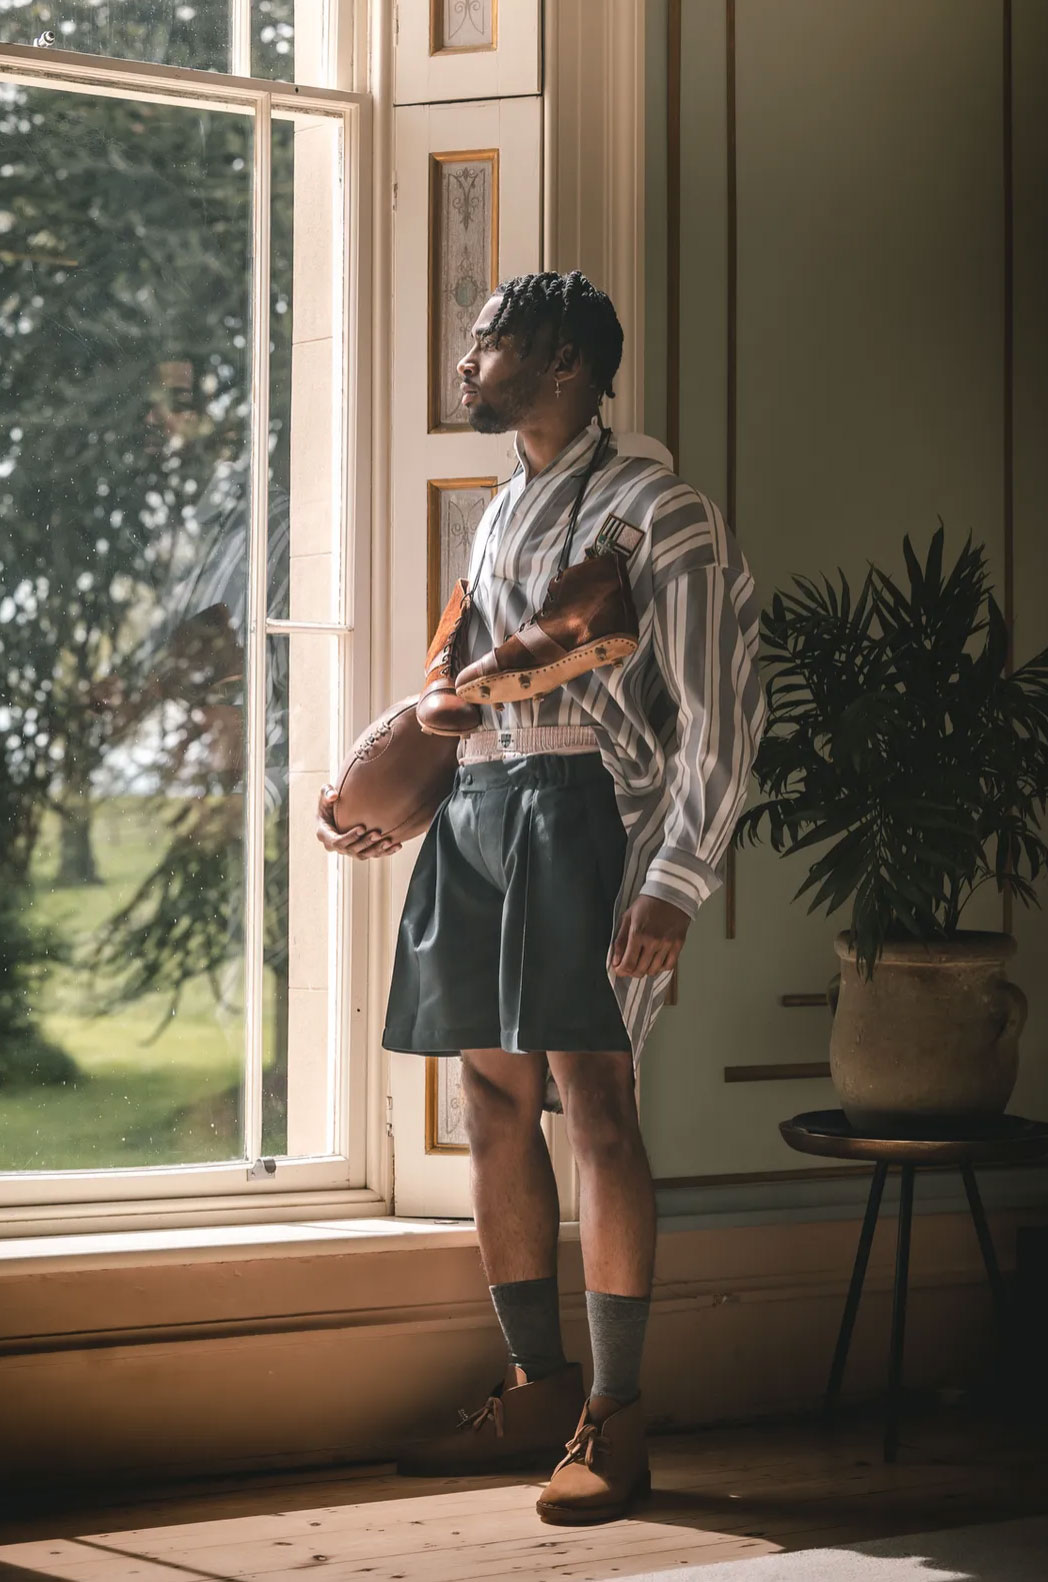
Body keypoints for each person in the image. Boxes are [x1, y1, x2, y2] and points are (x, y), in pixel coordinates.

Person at [315, 271, 767, 1525]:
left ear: (566, 362)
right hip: (481, 817)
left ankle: (616, 1419)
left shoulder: (660, 512)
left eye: (489, 342)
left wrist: (674, 877)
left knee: (596, 1103)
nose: (467, 361)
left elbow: (728, 721)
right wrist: (383, 787)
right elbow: (461, 683)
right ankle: (532, 1384)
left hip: (589, 820)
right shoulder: (501, 509)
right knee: (487, 1097)